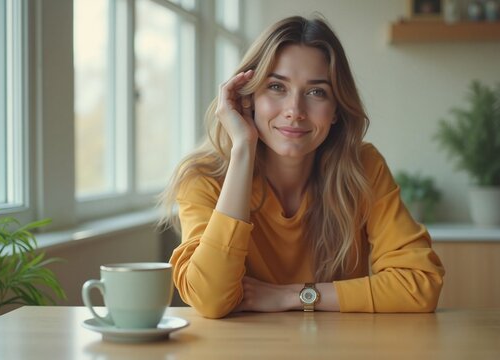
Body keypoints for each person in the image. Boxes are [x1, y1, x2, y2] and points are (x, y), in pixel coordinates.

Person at [159, 15, 444, 319]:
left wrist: (292, 295)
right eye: (276, 87)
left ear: (336, 110)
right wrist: (243, 149)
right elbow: (210, 299)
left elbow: (421, 282)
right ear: (248, 98)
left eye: (316, 92)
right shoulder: (203, 178)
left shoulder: (362, 167)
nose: (295, 111)